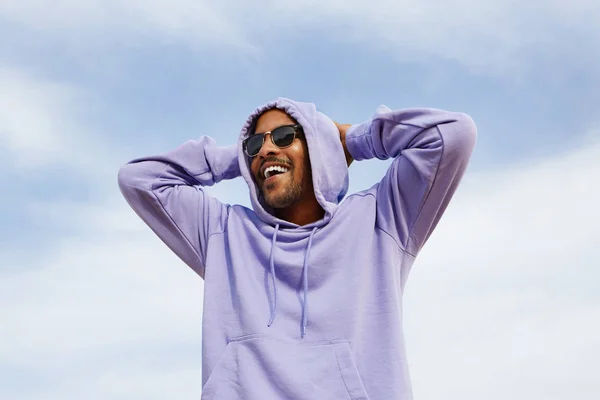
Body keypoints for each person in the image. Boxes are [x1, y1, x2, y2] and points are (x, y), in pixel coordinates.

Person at [118, 97, 477, 400]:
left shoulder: (381, 218)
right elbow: (140, 180)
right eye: (256, 144)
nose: (267, 149)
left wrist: (353, 140)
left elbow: (453, 135)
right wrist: (241, 159)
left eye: (286, 136)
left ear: (318, 147)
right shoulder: (222, 233)